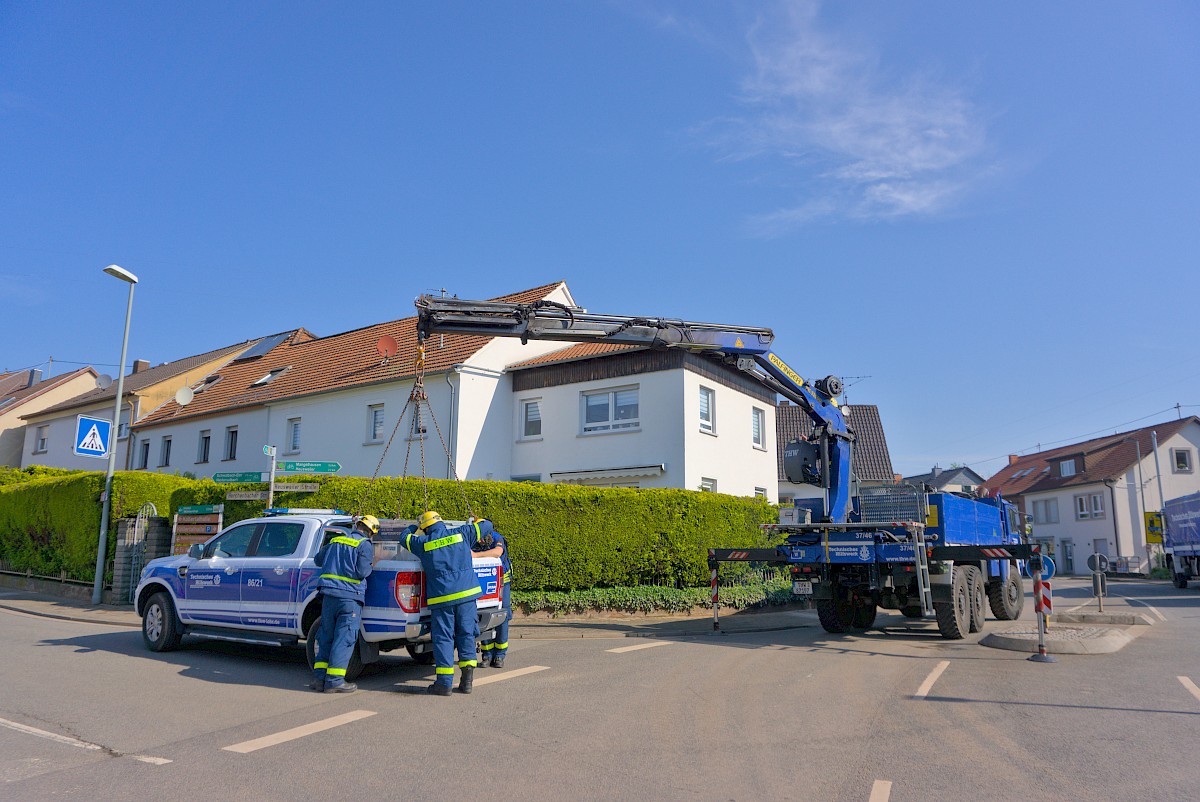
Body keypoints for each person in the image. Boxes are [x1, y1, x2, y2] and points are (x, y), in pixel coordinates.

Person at [402, 510, 487, 696]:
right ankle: (467, 682)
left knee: (444, 639)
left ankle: (444, 684)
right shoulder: (462, 533)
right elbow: (487, 525)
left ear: (425, 528)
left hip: (442, 599)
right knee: (466, 634)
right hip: (466, 596)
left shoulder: (423, 543)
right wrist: (477, 520)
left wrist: (414, 526)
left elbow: (404, 538)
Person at [311, 514, 377, 693]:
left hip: (328, 596)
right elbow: (363, 571)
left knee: (326, 636)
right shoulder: (365, 545)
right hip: (349, 598)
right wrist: (372, 564)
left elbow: (318, 560)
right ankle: (335, 681)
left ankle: (319, 679)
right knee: (344, 639)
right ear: (371, 532)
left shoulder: (336, 540)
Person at [472, 523, 512, 668]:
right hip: (483, 584)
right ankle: (487, 655)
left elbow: (497, 552)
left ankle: (500, 655)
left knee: (502, 618)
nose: (480, 542)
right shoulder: (473, 538)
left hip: (502, 585)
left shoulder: (496, 537)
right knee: (483, 618)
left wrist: (476, 555)